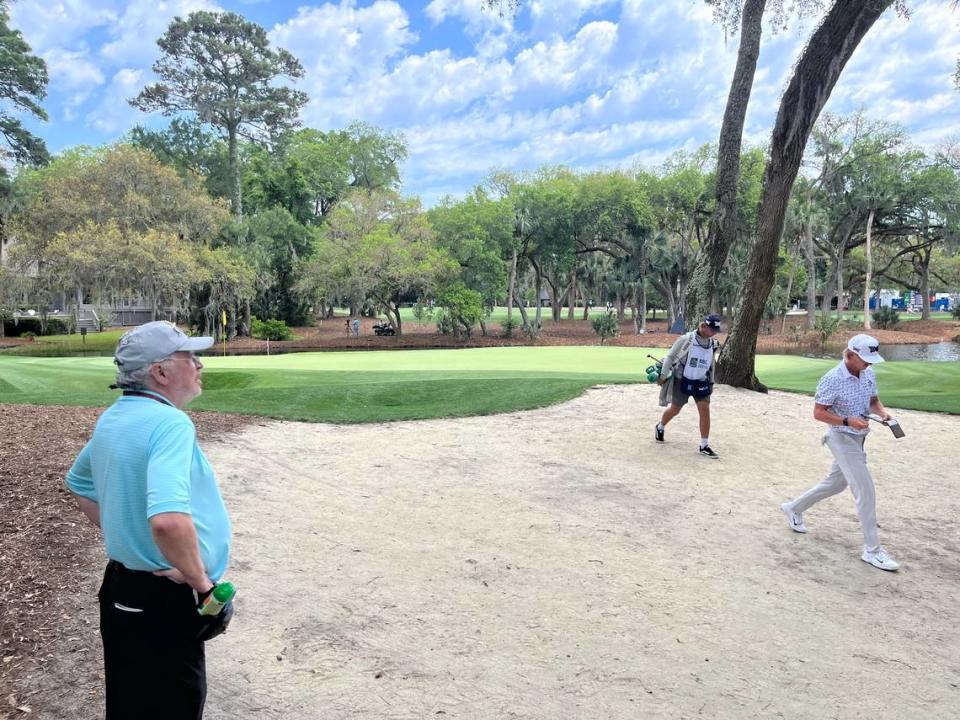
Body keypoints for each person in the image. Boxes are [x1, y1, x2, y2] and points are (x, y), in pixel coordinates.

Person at [64, 321, 234, 719]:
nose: (198, 365)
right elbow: (168, 522)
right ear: (160, 372)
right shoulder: (170, 424)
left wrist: (127, 536)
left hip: (122, 589)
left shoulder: (114, 417)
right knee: (175, 704)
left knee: (131, 702)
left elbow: (79, 484)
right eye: (189, 357)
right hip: (165, 600)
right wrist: (202, 584)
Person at [780, 334, 899, 571]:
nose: (869, 363)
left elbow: (873, 401)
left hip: (859, 438)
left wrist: (882, 413)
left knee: (836, 484)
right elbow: (819, 413)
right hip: (840, 437)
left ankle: (794, 508)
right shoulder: (832, 379)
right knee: (865, 489)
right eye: (865, 359)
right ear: (850, 354)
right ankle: (872, 551)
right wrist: (847, 421)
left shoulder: (867, 373)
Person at [654, 314, 722, 458]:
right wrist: (663, 375)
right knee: (675, 409)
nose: (714, 333)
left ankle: (704, 445)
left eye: (715, 330)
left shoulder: (713, 344)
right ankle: (660, 426)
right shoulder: (686, 340)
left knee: (704, 410)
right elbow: (670, 357)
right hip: (682, 380)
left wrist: (711, 381)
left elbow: (711, 364)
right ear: (703, 326)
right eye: (712, 329)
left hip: (701, 381)